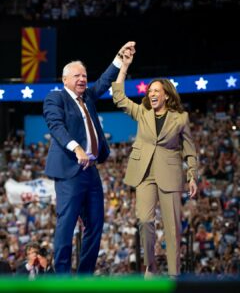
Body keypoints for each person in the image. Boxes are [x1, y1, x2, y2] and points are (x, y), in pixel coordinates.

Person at [43, 41, 136, 275]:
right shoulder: (56, 99)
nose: (82, 79)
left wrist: (119, 58)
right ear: (65, 80)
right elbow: (56, 125)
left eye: (84, 75)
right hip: (70, 170)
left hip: (91, 171)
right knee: (67, 224)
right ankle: (62, 277)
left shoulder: (88, 98)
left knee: (95, 225)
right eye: (77, 76)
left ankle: (84, 276)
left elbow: (105, 80)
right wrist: (76, 148)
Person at [111, 49, 198, 278]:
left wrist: (192, 176)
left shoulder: (181, 118)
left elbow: (189, 150)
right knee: (144, 221)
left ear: (167, 95)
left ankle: (174, 274)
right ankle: (151, 265)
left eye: (157, 91)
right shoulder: (142, 113)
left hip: (169, 175)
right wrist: (124, 66)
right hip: (144, 174)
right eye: (150, 91)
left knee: (173, 229)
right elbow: (118, 97)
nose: (152, 94)